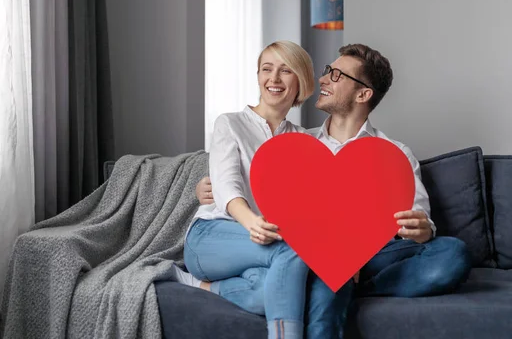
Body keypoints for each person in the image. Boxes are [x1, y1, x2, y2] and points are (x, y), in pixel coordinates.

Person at [185, 43, 472, 335]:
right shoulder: (297, 144)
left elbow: (417, 217)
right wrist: (208, 188)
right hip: (316, 252)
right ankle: (328, 277)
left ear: (363, 94)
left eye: (336, 75)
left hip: (370, 253)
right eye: (327, 72)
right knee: (322, 268)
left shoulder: (394, 153)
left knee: (452, 254)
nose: (323, 79)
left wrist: (423, 228)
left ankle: (332, 278)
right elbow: (247, 179)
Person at [171, 40, 355, 339]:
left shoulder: (306, 141)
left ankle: (199, 285)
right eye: (266, 69)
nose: (274, 79)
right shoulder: (229, 124)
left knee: (273, 288)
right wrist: (250, 220)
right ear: (258, 76)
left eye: (285, 71)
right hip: (213, 234)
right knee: (293, 250)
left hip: (268, 245)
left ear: (302, 82)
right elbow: (227, 184)